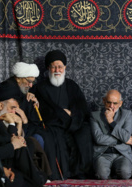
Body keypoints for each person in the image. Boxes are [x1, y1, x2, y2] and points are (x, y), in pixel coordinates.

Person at [33, 50, 93, 180]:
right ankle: (63, 174)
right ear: (48, 68)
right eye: (53, 66)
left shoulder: (72, 86)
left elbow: (82, 107)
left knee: (85, 133)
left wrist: (72, 114)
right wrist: (61, 113)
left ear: (65, 67)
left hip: (73, 123)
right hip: (54, 124)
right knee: (55, 137)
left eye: (60, 66)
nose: (57, 70)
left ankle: (81, 172)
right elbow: (42, 110)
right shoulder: (40, 88)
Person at [90, 90, 132, 180]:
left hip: (122, 153)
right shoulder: (94, 116)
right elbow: (99, 139)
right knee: (101, 175)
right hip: (103, 153)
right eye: (109, 102)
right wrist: (122, 140)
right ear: (104, 101)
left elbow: (127, 136)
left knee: (125, 174)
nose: (112, 106)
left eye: (115, 103)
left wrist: (111, 121)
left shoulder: (127, 114)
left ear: (120, 103)